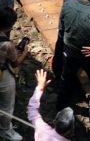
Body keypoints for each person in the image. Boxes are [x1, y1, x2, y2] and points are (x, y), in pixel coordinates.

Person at [0, 8, 28, 141]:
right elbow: (15, 63)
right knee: (7, 104)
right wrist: (25, 53)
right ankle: (5, 130)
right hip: (3, 75)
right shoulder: (7, 44)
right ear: (10, 25)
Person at [27, 69, 74, 141]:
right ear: (70, 130)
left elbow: (32, 110)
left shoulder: (42, 129)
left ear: (54, 121)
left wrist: (40, 87)